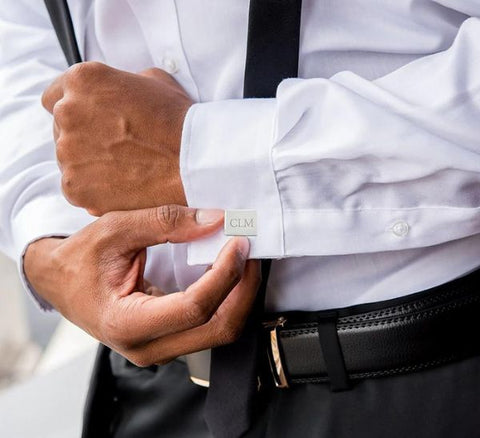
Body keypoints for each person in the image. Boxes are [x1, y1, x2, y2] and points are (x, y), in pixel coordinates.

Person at [1, 1, 480, 437]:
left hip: (424, 371)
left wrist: (206, 155)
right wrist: (49, 245)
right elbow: (19, 32)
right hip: (150, 391)